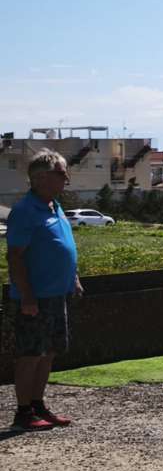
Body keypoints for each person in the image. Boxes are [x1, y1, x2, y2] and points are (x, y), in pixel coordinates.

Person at [5, 149, 83, 431]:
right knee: (30, 354)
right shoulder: (26, 211)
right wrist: (26, 294)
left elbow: (62, 246)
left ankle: (38, 404)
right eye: (61, 173)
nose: (67, 178)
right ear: (40, 178)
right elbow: (15, 256)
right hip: (35, 296)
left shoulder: (55, 206)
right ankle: (23, 411)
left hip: (56, 294)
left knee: (49, 351)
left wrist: (72, 276)